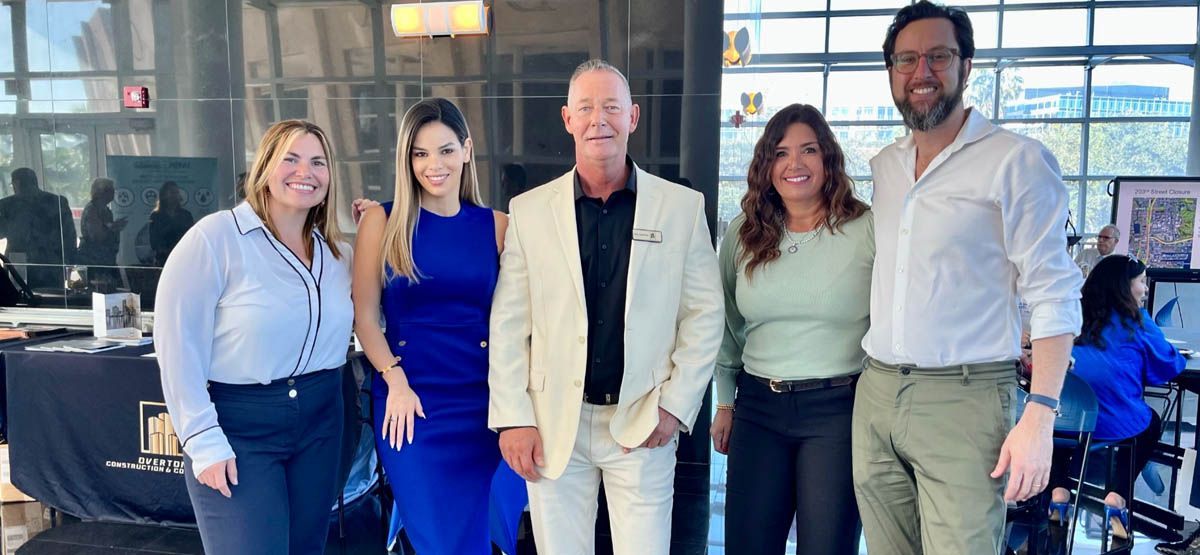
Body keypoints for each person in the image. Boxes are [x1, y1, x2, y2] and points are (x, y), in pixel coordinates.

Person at [851, 2, 1085, 554]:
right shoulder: (886, 166)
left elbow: (1054, 292)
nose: (921, 73)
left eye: (938, 56)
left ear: (966, 66)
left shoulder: (1016, 161)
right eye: (906, 59)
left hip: (967, 398)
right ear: (891, 72)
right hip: (877, 392)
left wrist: (1041, 416)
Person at [488, 59, 724, 555]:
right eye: (586, 108)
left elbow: (704, 316)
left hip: (642, 420)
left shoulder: (680, 207)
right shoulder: (530, 212)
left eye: (612, 107)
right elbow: (510, 323)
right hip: (554, 423)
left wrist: (675, 407)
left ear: (633, 117)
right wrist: (513, 416)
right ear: (567, 119)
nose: (600, 119)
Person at [155, 119, 353, 555]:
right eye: (292, 159)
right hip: (241, 426)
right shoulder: (214, 239)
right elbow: (177, 346)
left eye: (318, 162)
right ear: (265, 166)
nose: (306, 171)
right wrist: (201, 439)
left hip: (323, 421)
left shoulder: (336, 253)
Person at [352, 98, 526, 554]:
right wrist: (395, 380)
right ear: (406, 160)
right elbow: (365, 317)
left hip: (485, 404)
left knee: (482, 534)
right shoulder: (382, 221)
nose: (434, 165)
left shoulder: (499, 226)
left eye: (446, 150)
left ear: (467, 150)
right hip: (411, 402)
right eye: (420, 153)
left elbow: (522, 317)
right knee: (440, 538)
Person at [710, 103, 871, 555]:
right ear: (767, 165)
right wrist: (725, 402)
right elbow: (725, 322)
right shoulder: (745, 233)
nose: (795, 164)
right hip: (758, 407)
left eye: (808, 151)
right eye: (780, 153)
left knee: (826, 546)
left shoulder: (866, 228)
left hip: (838, 410)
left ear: (828, 159)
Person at [1047, 254, 1184, 538]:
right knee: (1149, 423)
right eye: (1142, 281)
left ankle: (1059, 491)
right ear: (1124, 286)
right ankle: (1117, 496)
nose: (1146, 289)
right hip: (1111, 424)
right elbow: (1168, 366)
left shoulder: (1073, 315)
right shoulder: (1136, 322)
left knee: (1061, 415)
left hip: (1066, 423)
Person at [0, 168, 76, 290]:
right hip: (50, 264)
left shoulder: (6, 205)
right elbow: (69, 237)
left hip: (19, 266)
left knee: (19, 304)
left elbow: (1, 232)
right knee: (52, 302)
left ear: (16, 183)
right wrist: (69, 262)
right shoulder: (57, 202)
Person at [78, 177, 127, 290]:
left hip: (107, 260)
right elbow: (96, 236)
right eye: (111, 190)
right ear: (101, 192)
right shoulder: (92, 210)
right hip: (94, 262)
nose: (114, 192)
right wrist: (113, 228)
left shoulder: (106, 210)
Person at [148, 181, 195, 266]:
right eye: (172, 192)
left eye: (176, 192)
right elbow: (154, 242)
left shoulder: (186, 215)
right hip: (163, 260)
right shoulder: (156, 216)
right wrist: (166, 251)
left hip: (183, 258)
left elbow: (192, 238)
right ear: (163, 195)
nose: (174, 196)